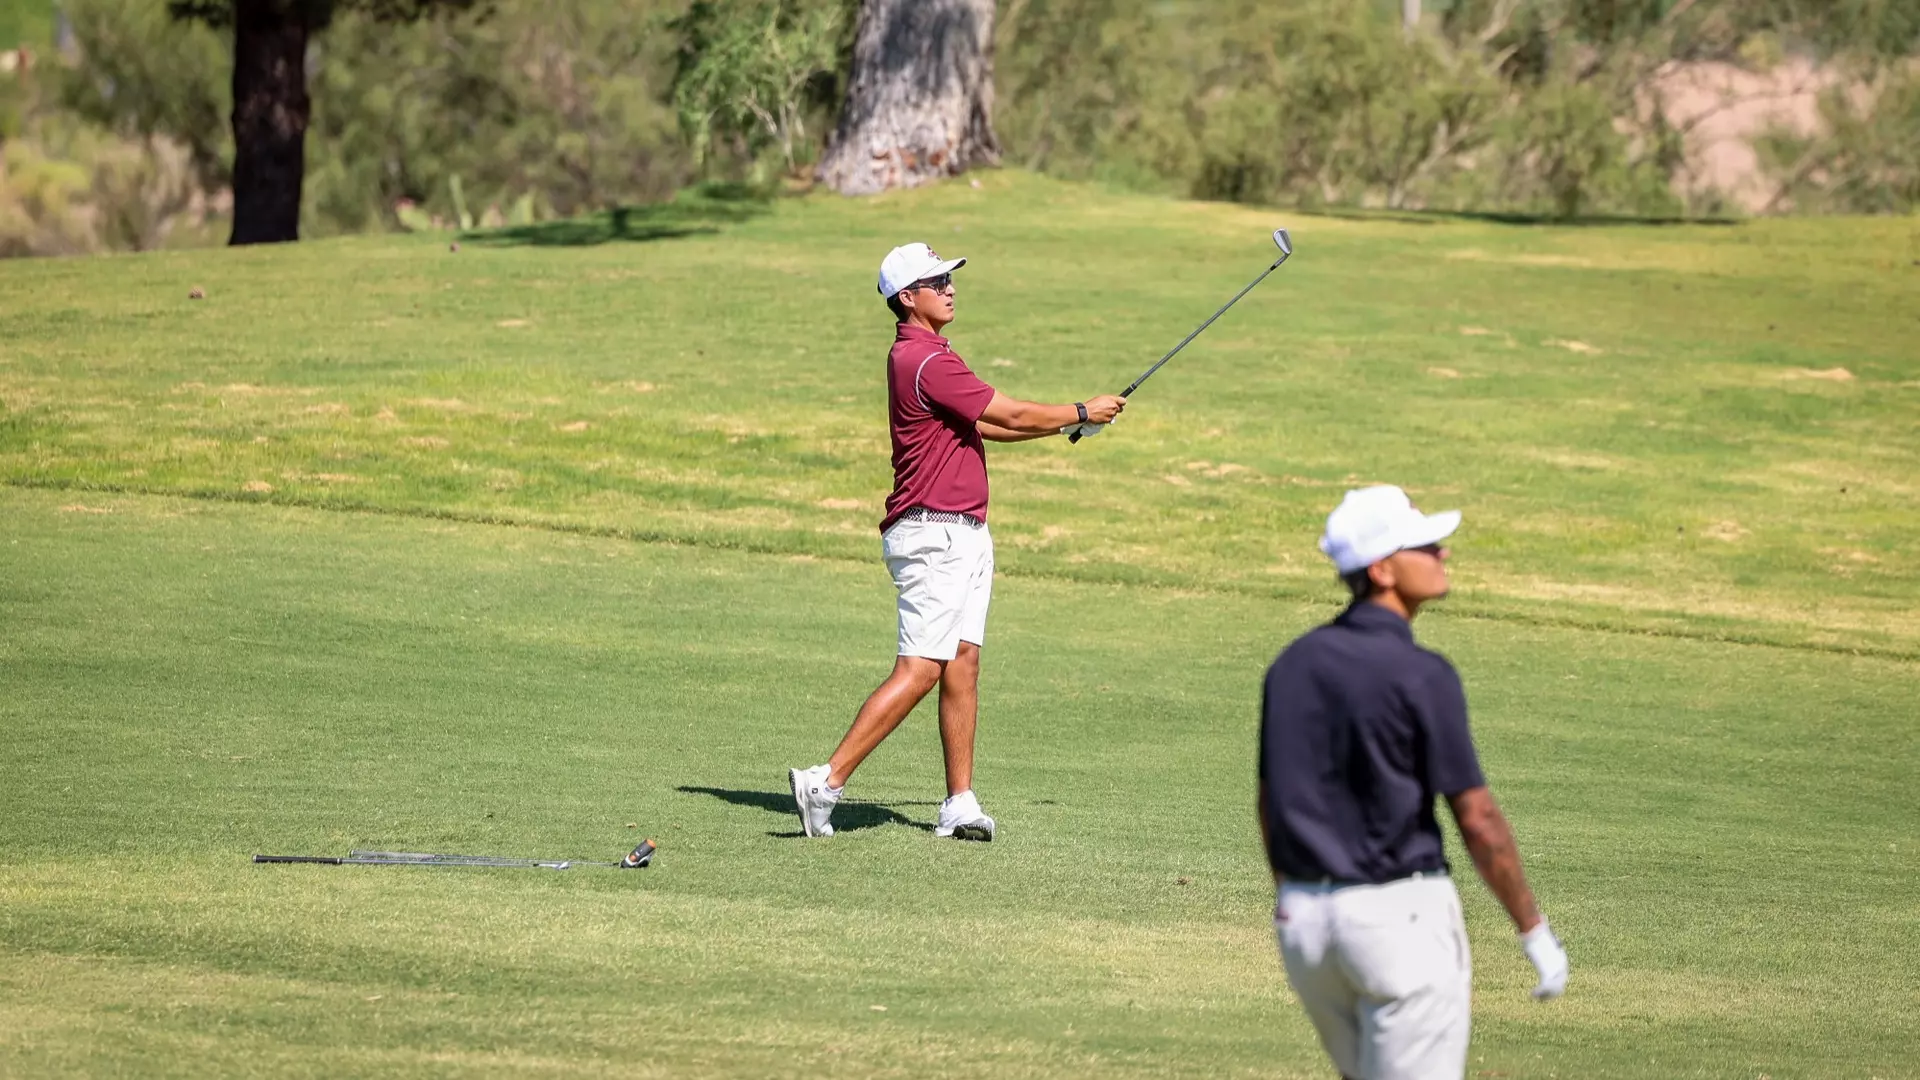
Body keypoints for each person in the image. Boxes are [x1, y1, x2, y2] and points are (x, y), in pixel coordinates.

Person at [788, 242, 1126, 841]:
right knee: (921, 668)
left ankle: (959, 803)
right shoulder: (924, 360)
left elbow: (990, 425)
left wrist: (1073, 423)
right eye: (935, 280)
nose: (948, 286)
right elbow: (1014, 413)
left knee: (962, 662)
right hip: (934, 532)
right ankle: (826, 781)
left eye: (949, 277)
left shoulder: (934, 355)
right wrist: (1078, 406)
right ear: (906, 297)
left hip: (963, 531)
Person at [1258, 485, 1570, 1080]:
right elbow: (1476, 818)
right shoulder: (1422, 674)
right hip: (1396, 924)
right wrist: (1532, 930)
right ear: (1381, 569)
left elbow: (1271, 803)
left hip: (1307, 931)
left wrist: (1293, 899)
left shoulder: (1292, 663)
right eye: (1423, 546)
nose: (1442, 554)